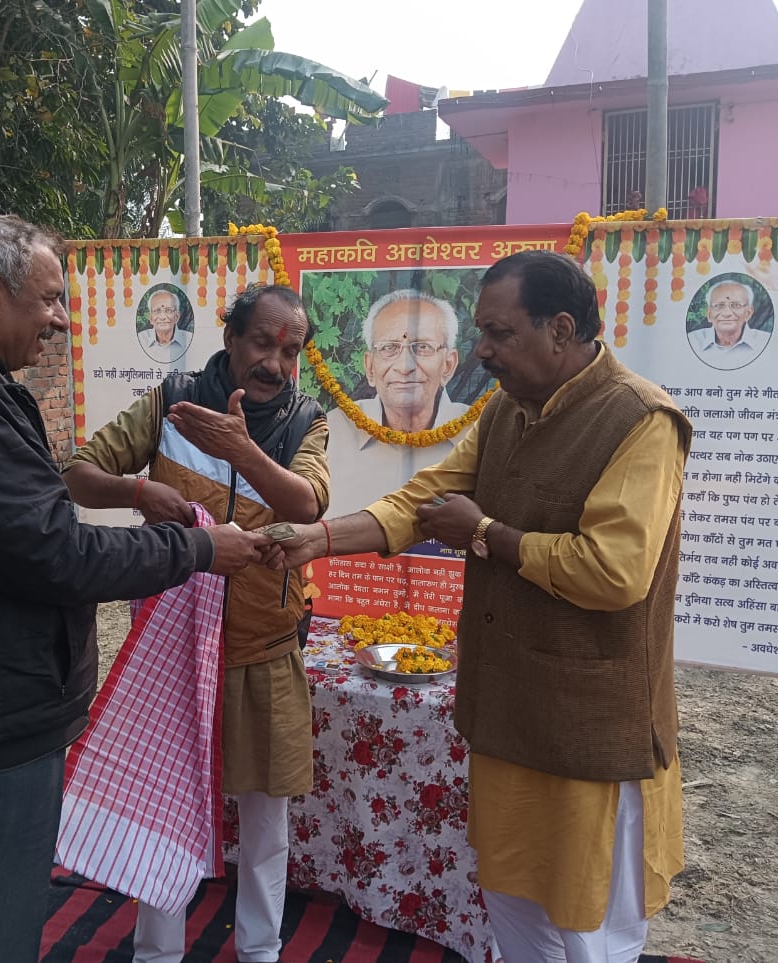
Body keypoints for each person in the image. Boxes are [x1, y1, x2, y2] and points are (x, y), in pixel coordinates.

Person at [0, 214, 271, 963]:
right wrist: (198, 547)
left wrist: (139, 495)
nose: (62, 321)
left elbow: (17, 529)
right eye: (48, 300)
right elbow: (54, 551)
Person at [267, 250, 690, 963]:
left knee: (588, 923)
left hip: (589, 725)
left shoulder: (640, 419)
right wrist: (319, 539)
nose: (483, 352)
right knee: (512, 899)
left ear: (561, 329)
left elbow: (615, 572)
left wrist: (488, 534)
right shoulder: (508, 412)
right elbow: (424, 499)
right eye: (481, 333)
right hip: (507, 711)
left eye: (499, 333)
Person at [63, 283, 330, 963]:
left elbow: (307, 504)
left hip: (265, 646)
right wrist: (136, 489)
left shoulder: (306, 420)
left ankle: (260, 949)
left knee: (266, 818)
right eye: (263, 343)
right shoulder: (172, 401)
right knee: (164, 803)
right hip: (172, 646)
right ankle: (158, 953)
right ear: (231, 337)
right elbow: (78, 473)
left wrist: (242, 450)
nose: (276, 364)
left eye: (291, 351)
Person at [325, 289, 471, 517]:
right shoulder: (332, 432)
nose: (405, 367)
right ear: (370, 367)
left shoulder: (479, 434)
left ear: (448, 365)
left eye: (422, 347)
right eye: (388, 348)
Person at [687, 279, 770, 370]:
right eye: (719, 306)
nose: (727, 313)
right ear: (709, 314)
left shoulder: (765, 343)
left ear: (748, 313)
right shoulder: (693, 341)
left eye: (736, 305)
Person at [138, 287, 192, 362]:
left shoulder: (188, 340)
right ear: (151, 318)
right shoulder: (141, 339)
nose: (162, 317)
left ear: (177, 317)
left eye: (168, 310)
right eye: (157, 311)